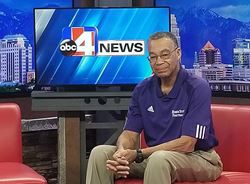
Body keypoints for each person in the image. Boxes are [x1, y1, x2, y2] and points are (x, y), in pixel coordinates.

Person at [86, 32, 223, 184]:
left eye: (165, 55)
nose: (159, 62)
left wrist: (138, 154)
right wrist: (122, 152)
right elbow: (129, 134)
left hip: (200, 158)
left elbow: (187, 144)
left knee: (159, 159)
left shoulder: (197, 87)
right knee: (100, 154)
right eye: (153, 57)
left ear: (178, 54)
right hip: (155, 158)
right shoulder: (142, 89)